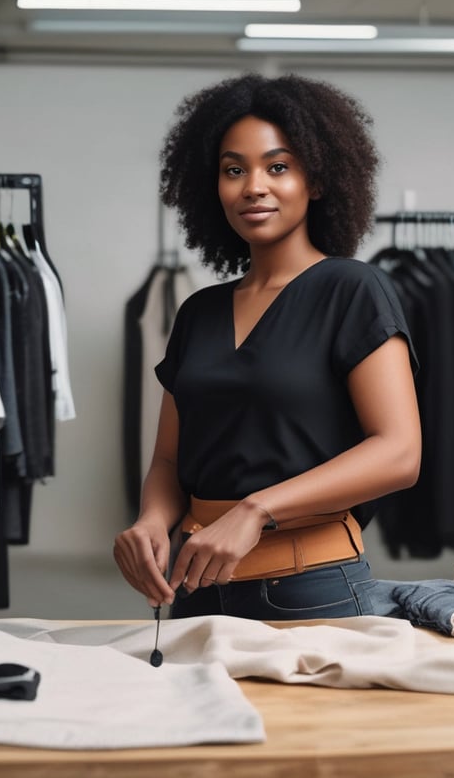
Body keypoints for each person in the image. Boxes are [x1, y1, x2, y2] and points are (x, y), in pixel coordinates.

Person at [114, 72, 421, 621]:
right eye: (234, 170)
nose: (254, 186)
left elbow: (399, 452)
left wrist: (257, 510)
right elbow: (167, 459)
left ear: (318, 181)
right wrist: (151, 521)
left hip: (313, 586)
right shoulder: (199, 312)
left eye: (277, 167)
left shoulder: (353, 289)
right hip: (196, 587)